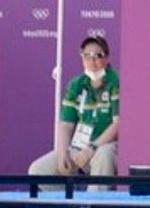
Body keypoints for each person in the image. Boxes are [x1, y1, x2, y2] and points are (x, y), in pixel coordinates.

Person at [28, 36, 119, 192]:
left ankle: (94, 204)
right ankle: (71, 203)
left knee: (104, 154)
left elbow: (118, 123)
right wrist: (63, 152)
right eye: (87, 56)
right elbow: (66, 125)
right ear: (82, 60)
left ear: (107, 58)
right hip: (79, 147)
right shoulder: (76, 84)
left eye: (98, 56)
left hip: (105, 146)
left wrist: (92, 147)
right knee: (38, 170)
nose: (92, 61)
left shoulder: (116, 82)